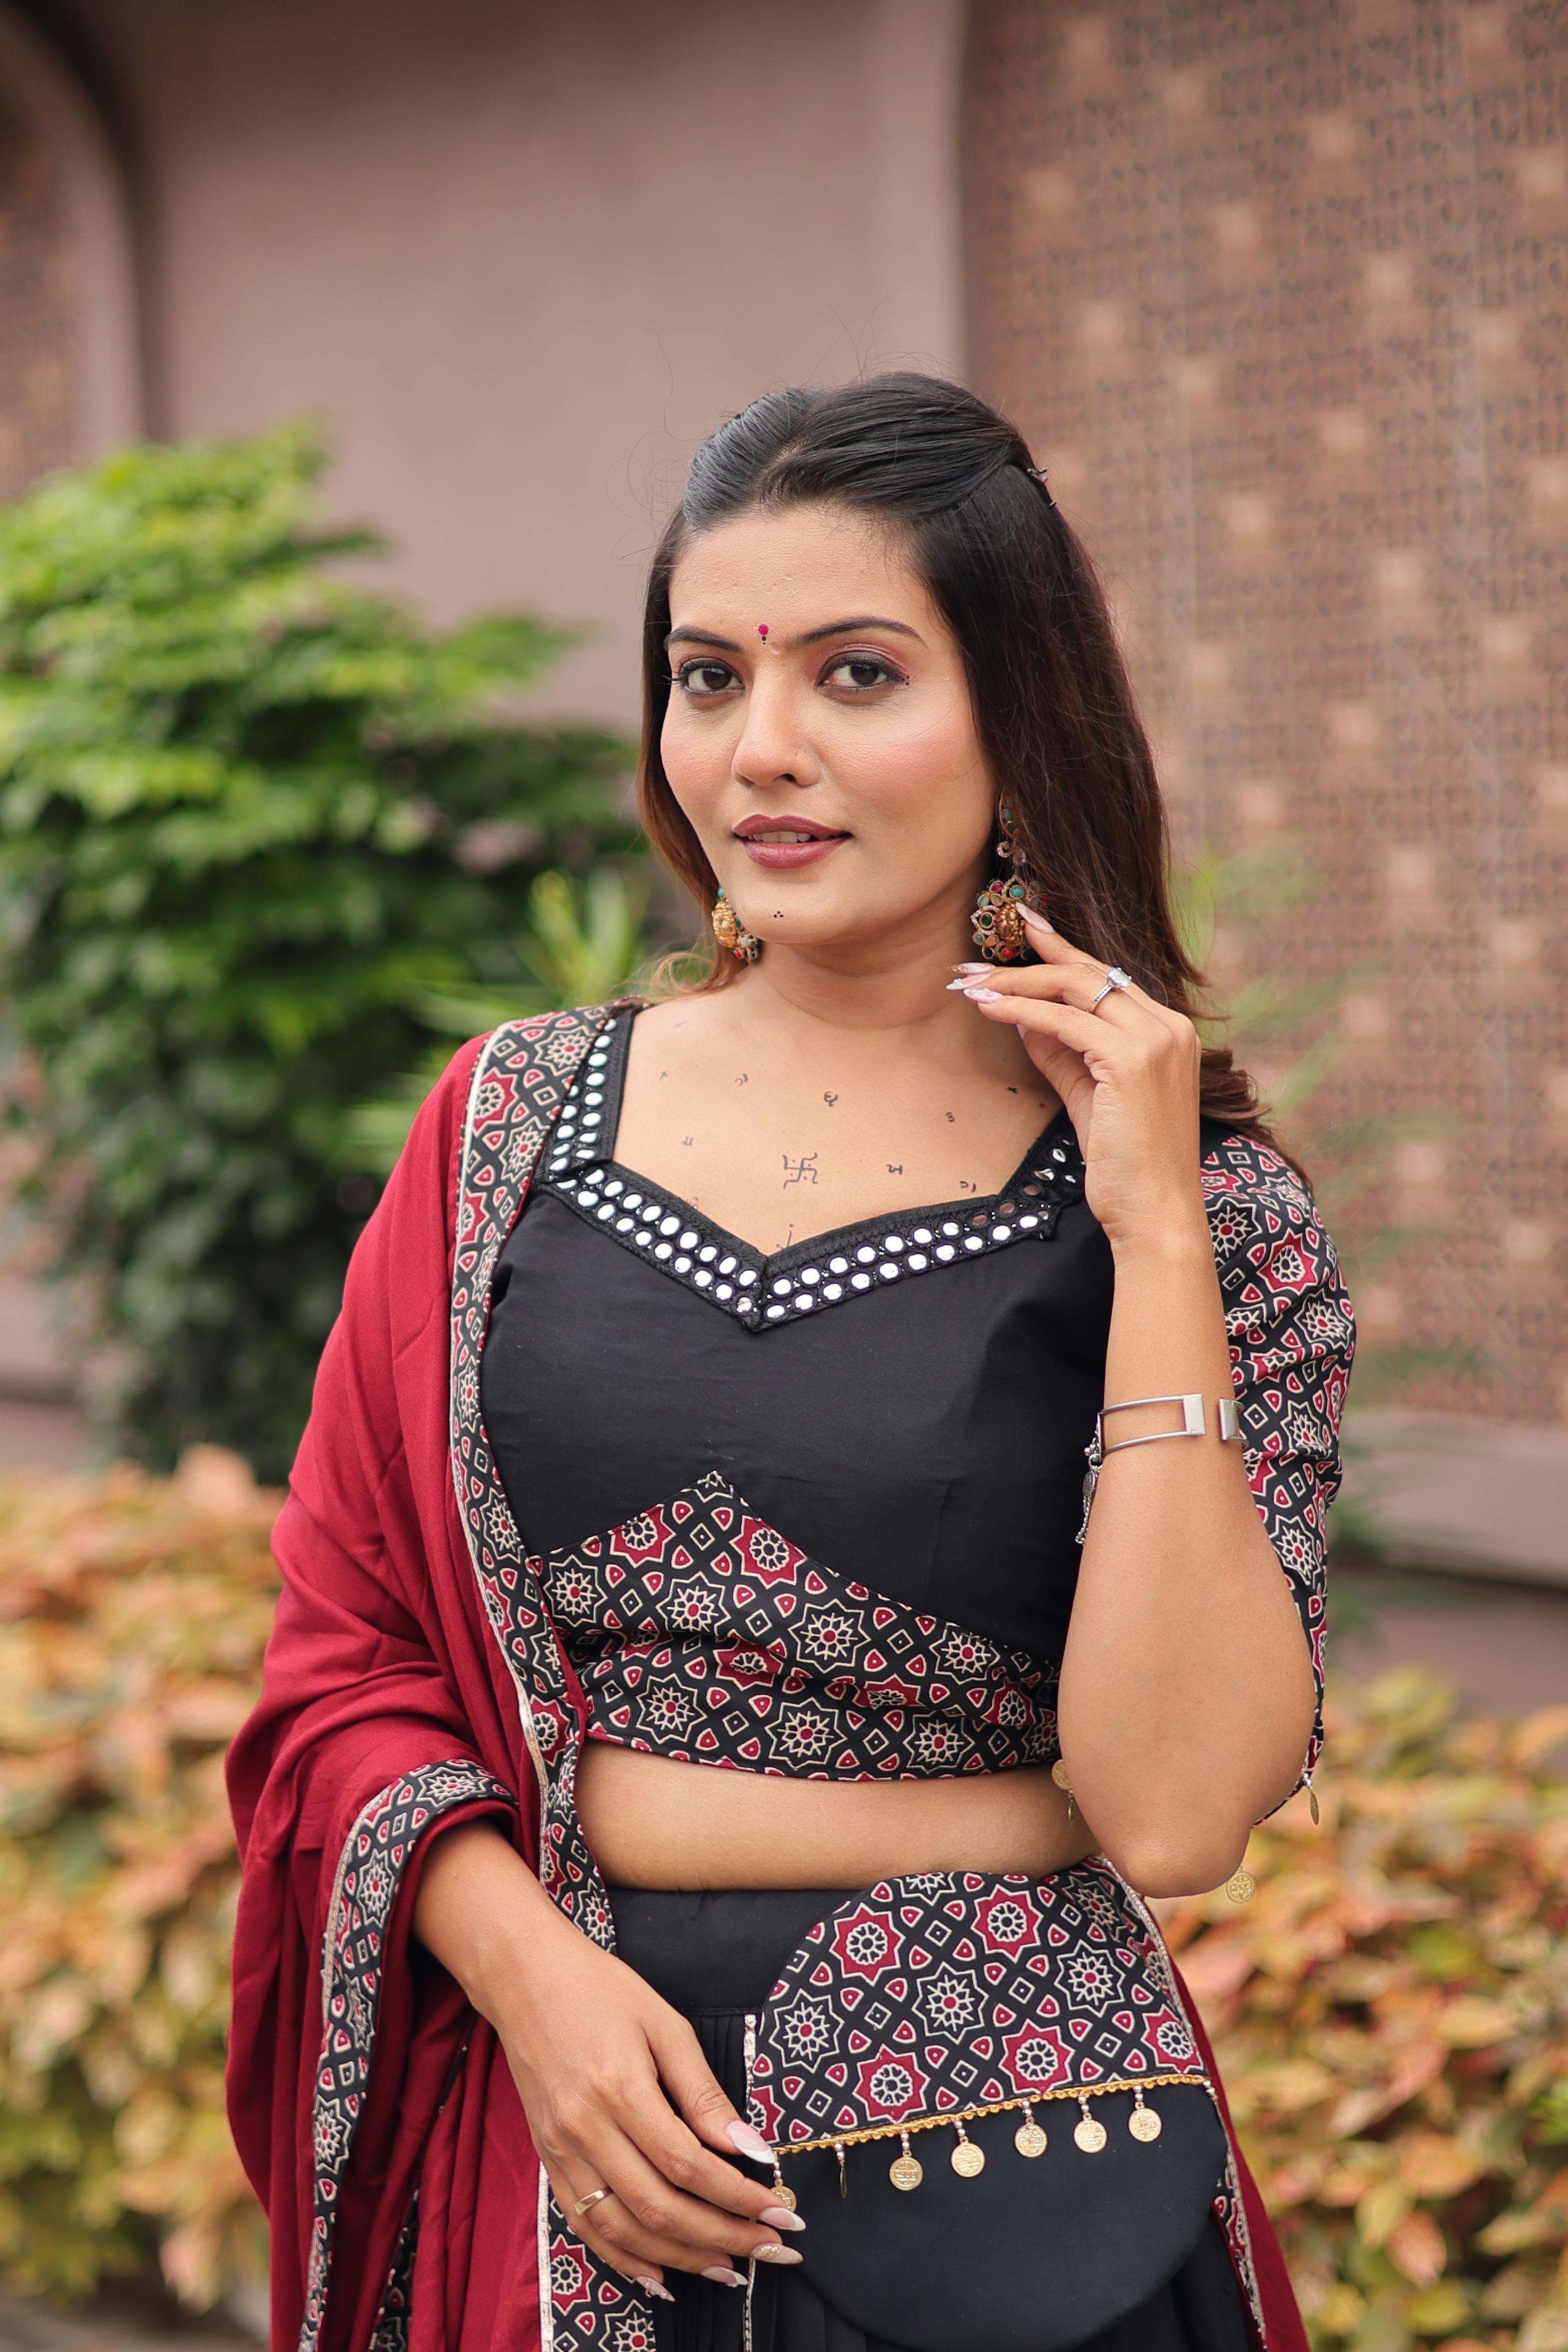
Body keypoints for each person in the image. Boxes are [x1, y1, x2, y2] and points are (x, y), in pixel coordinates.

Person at [226, 372, 1355, 2352]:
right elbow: (344, 1661)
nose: (762, 751)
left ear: (1021, 716)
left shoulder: (1202, 1210)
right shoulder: (504, 1130)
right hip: (570, 2137)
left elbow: (1178, 1814)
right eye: (708, 677)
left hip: (1013, 2151)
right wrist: (536, 1984)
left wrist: (1157, 1229)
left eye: (856, 674)